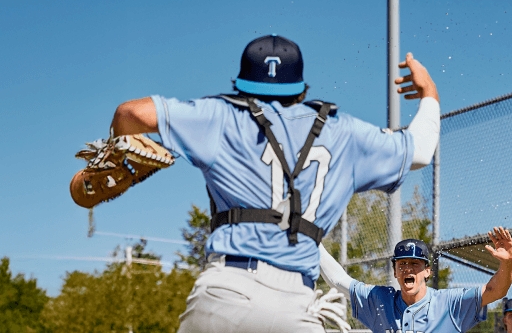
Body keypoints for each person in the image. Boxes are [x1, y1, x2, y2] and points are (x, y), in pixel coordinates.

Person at [108, 34, 441, 333]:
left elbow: (130, 113)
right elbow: (422, 150)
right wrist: (428, 92)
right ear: (300, 90)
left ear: (241, 85)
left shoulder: (220, 115)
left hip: (225, 291)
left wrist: (118, 149)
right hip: (294, 304)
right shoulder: (342, 132)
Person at [319, 230, 512, 333]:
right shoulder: (380, 300)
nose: (408, 268)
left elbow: (495, 290)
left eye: (415, 263)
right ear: (395, 271)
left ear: (427, 271)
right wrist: (309, 238)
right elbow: (338, 280)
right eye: (402, 264)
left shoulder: (448, 303)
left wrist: (508, 263)